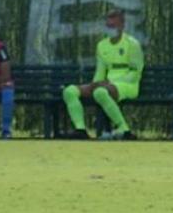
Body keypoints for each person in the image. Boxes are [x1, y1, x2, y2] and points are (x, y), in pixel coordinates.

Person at [61, 9, 144, 140]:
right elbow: (100, 70)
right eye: (108, 26)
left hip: (129, 85)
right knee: (69, 91)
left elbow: (135, 73)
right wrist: (95, 83)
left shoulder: (132, 44)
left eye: (113, 26)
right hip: (107, 84)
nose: (110, 28)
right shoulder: (101, 45)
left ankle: (125, 130)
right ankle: (80, 130)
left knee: (100, 92)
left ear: (122, 25)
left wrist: (111, 83)